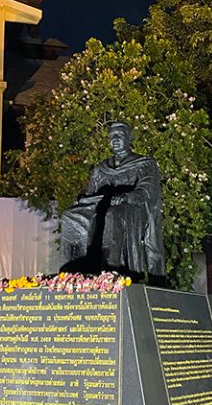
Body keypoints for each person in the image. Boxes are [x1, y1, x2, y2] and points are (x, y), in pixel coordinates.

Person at [60, 121, 166, 284]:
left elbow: (145, 191)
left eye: (119, 135)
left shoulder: (144, 164)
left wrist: (125, 197)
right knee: (70, 216)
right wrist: (83, 198)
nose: (114, 139)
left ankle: (111, 270)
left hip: (131, 211)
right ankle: (76, 271)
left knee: (112, 214)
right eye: (111, 136)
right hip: (102, 205)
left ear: (128, 138)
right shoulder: (101, 169)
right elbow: (91, 193)